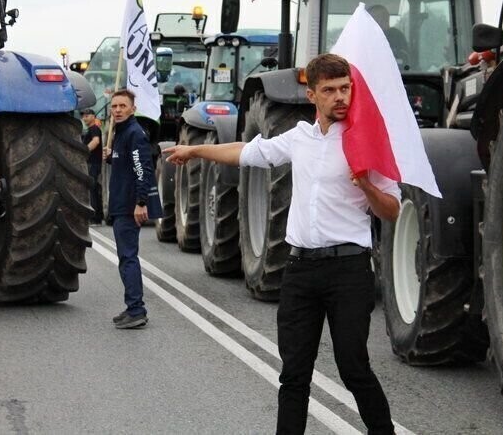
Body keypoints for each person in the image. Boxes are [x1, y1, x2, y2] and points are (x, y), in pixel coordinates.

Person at [165, 53, 399, 434]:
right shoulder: (299, 137)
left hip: (349, 271)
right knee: (293, 375)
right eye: (330, 90)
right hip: (301, 271)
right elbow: (245, 152)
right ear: (312, 96)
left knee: (354, 369)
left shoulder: (364, 140)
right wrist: (195, 150)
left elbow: (392, 211)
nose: (340, 97)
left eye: (345, 89)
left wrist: (368, 186)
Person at [102, 89, 162, 329]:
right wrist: (110, 157)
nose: (117, 110)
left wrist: (140, 203)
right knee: (125, 258)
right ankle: (132, 307)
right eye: (114, 106)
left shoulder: (134, 134)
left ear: (132, 109)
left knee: (128, 259)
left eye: (122, 106)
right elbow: (126, 163)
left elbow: (142, 170)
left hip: (128, 208)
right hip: (120, 206)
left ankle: (137, 310)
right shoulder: (121, 133)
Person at [81, 108, 104, 224]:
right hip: (91, 163)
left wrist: (83, 151)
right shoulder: (89, 129)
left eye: (87, 115)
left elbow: (96, 141)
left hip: (93, 163)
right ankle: (97, 216)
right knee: (93, 189)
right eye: (83, 116)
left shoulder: (94, 128)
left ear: (93, 116)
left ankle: (95, 217)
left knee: (93, 189)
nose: (84, 118)